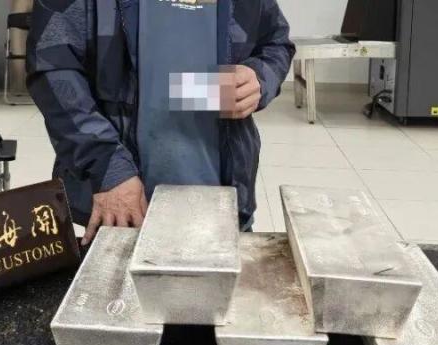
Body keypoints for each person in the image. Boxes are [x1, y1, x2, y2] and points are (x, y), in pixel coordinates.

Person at [27, 0, 294, 245]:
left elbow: (275, 42)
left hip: (223, 195)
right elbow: (52, 66)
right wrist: (107, 166)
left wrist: (260, 77)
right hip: (125, 200)